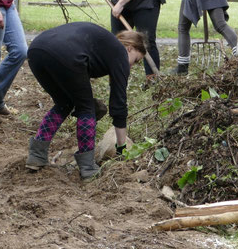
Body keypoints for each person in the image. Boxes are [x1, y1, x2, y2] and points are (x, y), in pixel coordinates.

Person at [24, 23, 147, 180]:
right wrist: (122, 147)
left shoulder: (103, 46)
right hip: (65, 52)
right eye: (136, 60)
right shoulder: (120, 53)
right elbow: (119, 103)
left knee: (64, 103)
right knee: (86, 108)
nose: (131, 66)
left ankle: (36, 155)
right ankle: (88, 168)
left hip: (37, 50)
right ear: (129, 47)